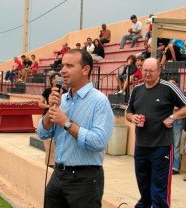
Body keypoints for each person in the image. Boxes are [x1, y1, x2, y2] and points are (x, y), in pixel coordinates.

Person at [37, 49, 114, 208]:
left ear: (86, 70)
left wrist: (66, 122)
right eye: (63, 65)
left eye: (69, 66)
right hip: (58, 174)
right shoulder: (61, 99)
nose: (63, 71)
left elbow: (98, 142)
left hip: (85, 180)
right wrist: (49, 112)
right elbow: (43, 133)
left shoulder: (99, 101)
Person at [126, 58, 186, 208]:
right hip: (141, 147)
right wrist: (133, 117)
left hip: (161, 147)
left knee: (159, 191)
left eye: (152, 70)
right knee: (144, 189)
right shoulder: (137, 89)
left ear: (159, 71)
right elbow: (128, 112)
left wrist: (172, 117)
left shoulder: (168, 87)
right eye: (145, 70)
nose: (148, 73)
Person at [38, 72, 67, 167]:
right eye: (54, 78)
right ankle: (49, 163)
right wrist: (49, 106)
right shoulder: (47, 91)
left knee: (56, 145)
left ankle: (55, 163)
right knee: (48, 145)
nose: (56, 79)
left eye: (58, 78)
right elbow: (40, 103)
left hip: (59, 118)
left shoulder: (65, 91)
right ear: (51, 80)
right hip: (48, 118)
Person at [168, 78, 185, 175]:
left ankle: (176, 167)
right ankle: (169, 165)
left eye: (173, 83)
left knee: (176, 144)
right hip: (169, 120)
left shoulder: (180, 94)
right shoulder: (166, 94)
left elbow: (183, 107)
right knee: (169, 144)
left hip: (178, 121)